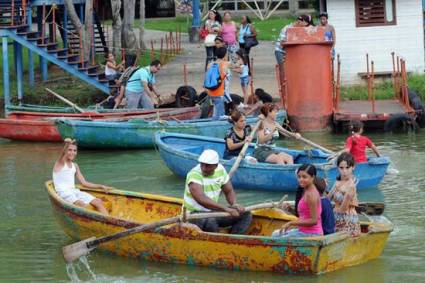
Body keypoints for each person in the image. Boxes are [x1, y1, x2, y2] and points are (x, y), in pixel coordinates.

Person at [183, 149, 252, 234]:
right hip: (193, 215)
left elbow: (229, 191)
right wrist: (225, 209)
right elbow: (201, 199)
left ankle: (233, 239)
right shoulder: (194, 175)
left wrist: (234, 204)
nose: (204, 168)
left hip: (212, 212)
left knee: (245, 214)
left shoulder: (220, 170)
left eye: (207, 166)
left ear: (215, 165)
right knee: (210, 221)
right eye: (202, 165)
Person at [52, 139, 112, 214]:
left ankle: (108, 220)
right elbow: (61, 154)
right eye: (69, 150)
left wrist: (101, 186)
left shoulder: (75, 166)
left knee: (98, 202)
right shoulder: (60, 163)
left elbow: (84, 183)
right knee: (81, 204)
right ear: (65, 151)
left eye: (74, 150)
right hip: (63, 192)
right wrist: (67, 144)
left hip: (74, 191)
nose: (72, 153)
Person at [272, 164, 323, 237]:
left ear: (313, 177)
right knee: (275, 234)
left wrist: (291, 223)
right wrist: (290, 209)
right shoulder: (306, 191)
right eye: (299, 177)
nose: (300, 179)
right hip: (303, 231)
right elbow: (305, 215)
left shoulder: (311, 195)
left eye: (304, 177)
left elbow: (314, 220)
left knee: (277, 238)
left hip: (312, 234)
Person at [328, 152, 361, 237]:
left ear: (353, 167)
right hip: (336, 218)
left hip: (347, 221)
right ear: (337, 168)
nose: (344, 171)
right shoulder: (338, 181)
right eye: (341, 168)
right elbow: (328, 199)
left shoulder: (351, 186)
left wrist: (329, 214)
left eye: (347, 167)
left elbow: (343, 209)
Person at [207, 47, 229, 120]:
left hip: (210, 90)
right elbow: (239, 67)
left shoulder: (210, 64)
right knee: (217, 116)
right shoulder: (225, 64)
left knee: (217, 111)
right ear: (225, 54)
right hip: (219, 92)